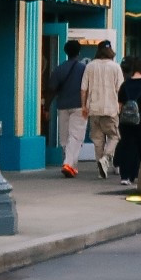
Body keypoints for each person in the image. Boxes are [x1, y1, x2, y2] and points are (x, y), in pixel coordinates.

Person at [80, 40, 122, 179]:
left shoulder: (90, 66)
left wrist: (84, 106)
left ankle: (100, 169)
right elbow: (120, 89)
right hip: (111, 108)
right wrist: (120, 106)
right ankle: (106, 158)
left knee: (97, 140)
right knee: (114, 136)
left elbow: (83, 88)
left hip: (94, 108)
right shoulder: (115, 67)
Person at [46, 38, 87, 178]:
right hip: (79, 106)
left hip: (62, 106)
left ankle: (70, 164)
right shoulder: (84, 69)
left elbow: (51, 89)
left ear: (65, 52)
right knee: (75, 136)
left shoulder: (59, 69)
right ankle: (68, 163)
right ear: (79, 52)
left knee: (64, 137)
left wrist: (46, 108)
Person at [115, 56, 141, 184]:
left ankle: (125, 176)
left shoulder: (125, 84)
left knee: (127, 146)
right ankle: (135, 174)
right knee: (139, 147)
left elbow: (120, 104)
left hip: (125, 121)